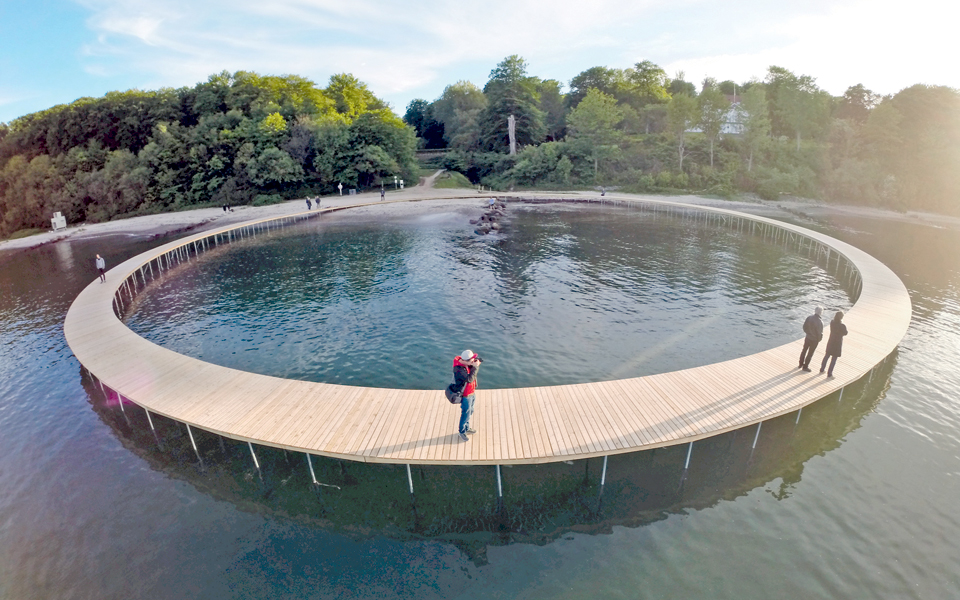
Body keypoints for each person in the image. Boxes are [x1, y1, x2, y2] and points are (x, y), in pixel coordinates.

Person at [453, 349, 481, 441]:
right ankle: (462, 431)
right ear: (466, 361)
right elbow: (469, 379)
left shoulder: (466, 364)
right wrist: (475, 367)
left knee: (470, 411)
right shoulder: (459, 369)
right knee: (465, 413)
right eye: (472, 359)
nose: (474, 360)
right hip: (466, 395)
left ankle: (467, 427)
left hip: (471, 392)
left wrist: (473, 364)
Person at [820, 311, 848, 377]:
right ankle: (829, 373)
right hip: (837, 343)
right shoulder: (842, 326)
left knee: (827, 355)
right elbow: (845, 333)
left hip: (831, 341)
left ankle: (822, 369)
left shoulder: (832, 322)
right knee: (834, 358)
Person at [799, 306, 823, 371]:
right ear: (820, 312)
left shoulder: (809, 318)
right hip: (814, 340)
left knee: (804, 350)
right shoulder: (819, 322)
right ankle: (805, 367)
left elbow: (804, 327)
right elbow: (819, 333)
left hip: (808, 337)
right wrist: (819, 339)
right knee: (810, 353)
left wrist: (807, 333)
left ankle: (800, 364)